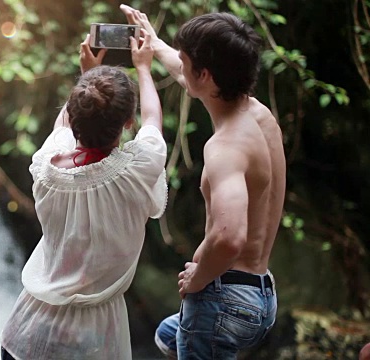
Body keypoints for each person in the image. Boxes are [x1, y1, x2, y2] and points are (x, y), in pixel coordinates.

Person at [121, 4, 286, 359]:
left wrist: (198, 280)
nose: (181, 65)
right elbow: (188, 74)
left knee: (189, 331)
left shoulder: (226, 148)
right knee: (169, 335)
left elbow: (229, 238)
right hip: (260, 294)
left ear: (207, 76)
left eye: (185, 59)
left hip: (224, 299)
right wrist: (154, 42)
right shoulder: (258, 116)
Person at [0, 31, 168, 359]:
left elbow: (62, 126)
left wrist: (86, 75)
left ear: (74, 119)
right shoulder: (136, 170)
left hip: (25, 335)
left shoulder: (46, 168)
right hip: (93, 342)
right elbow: (153, 120)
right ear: (127, 122)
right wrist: (144, 68)